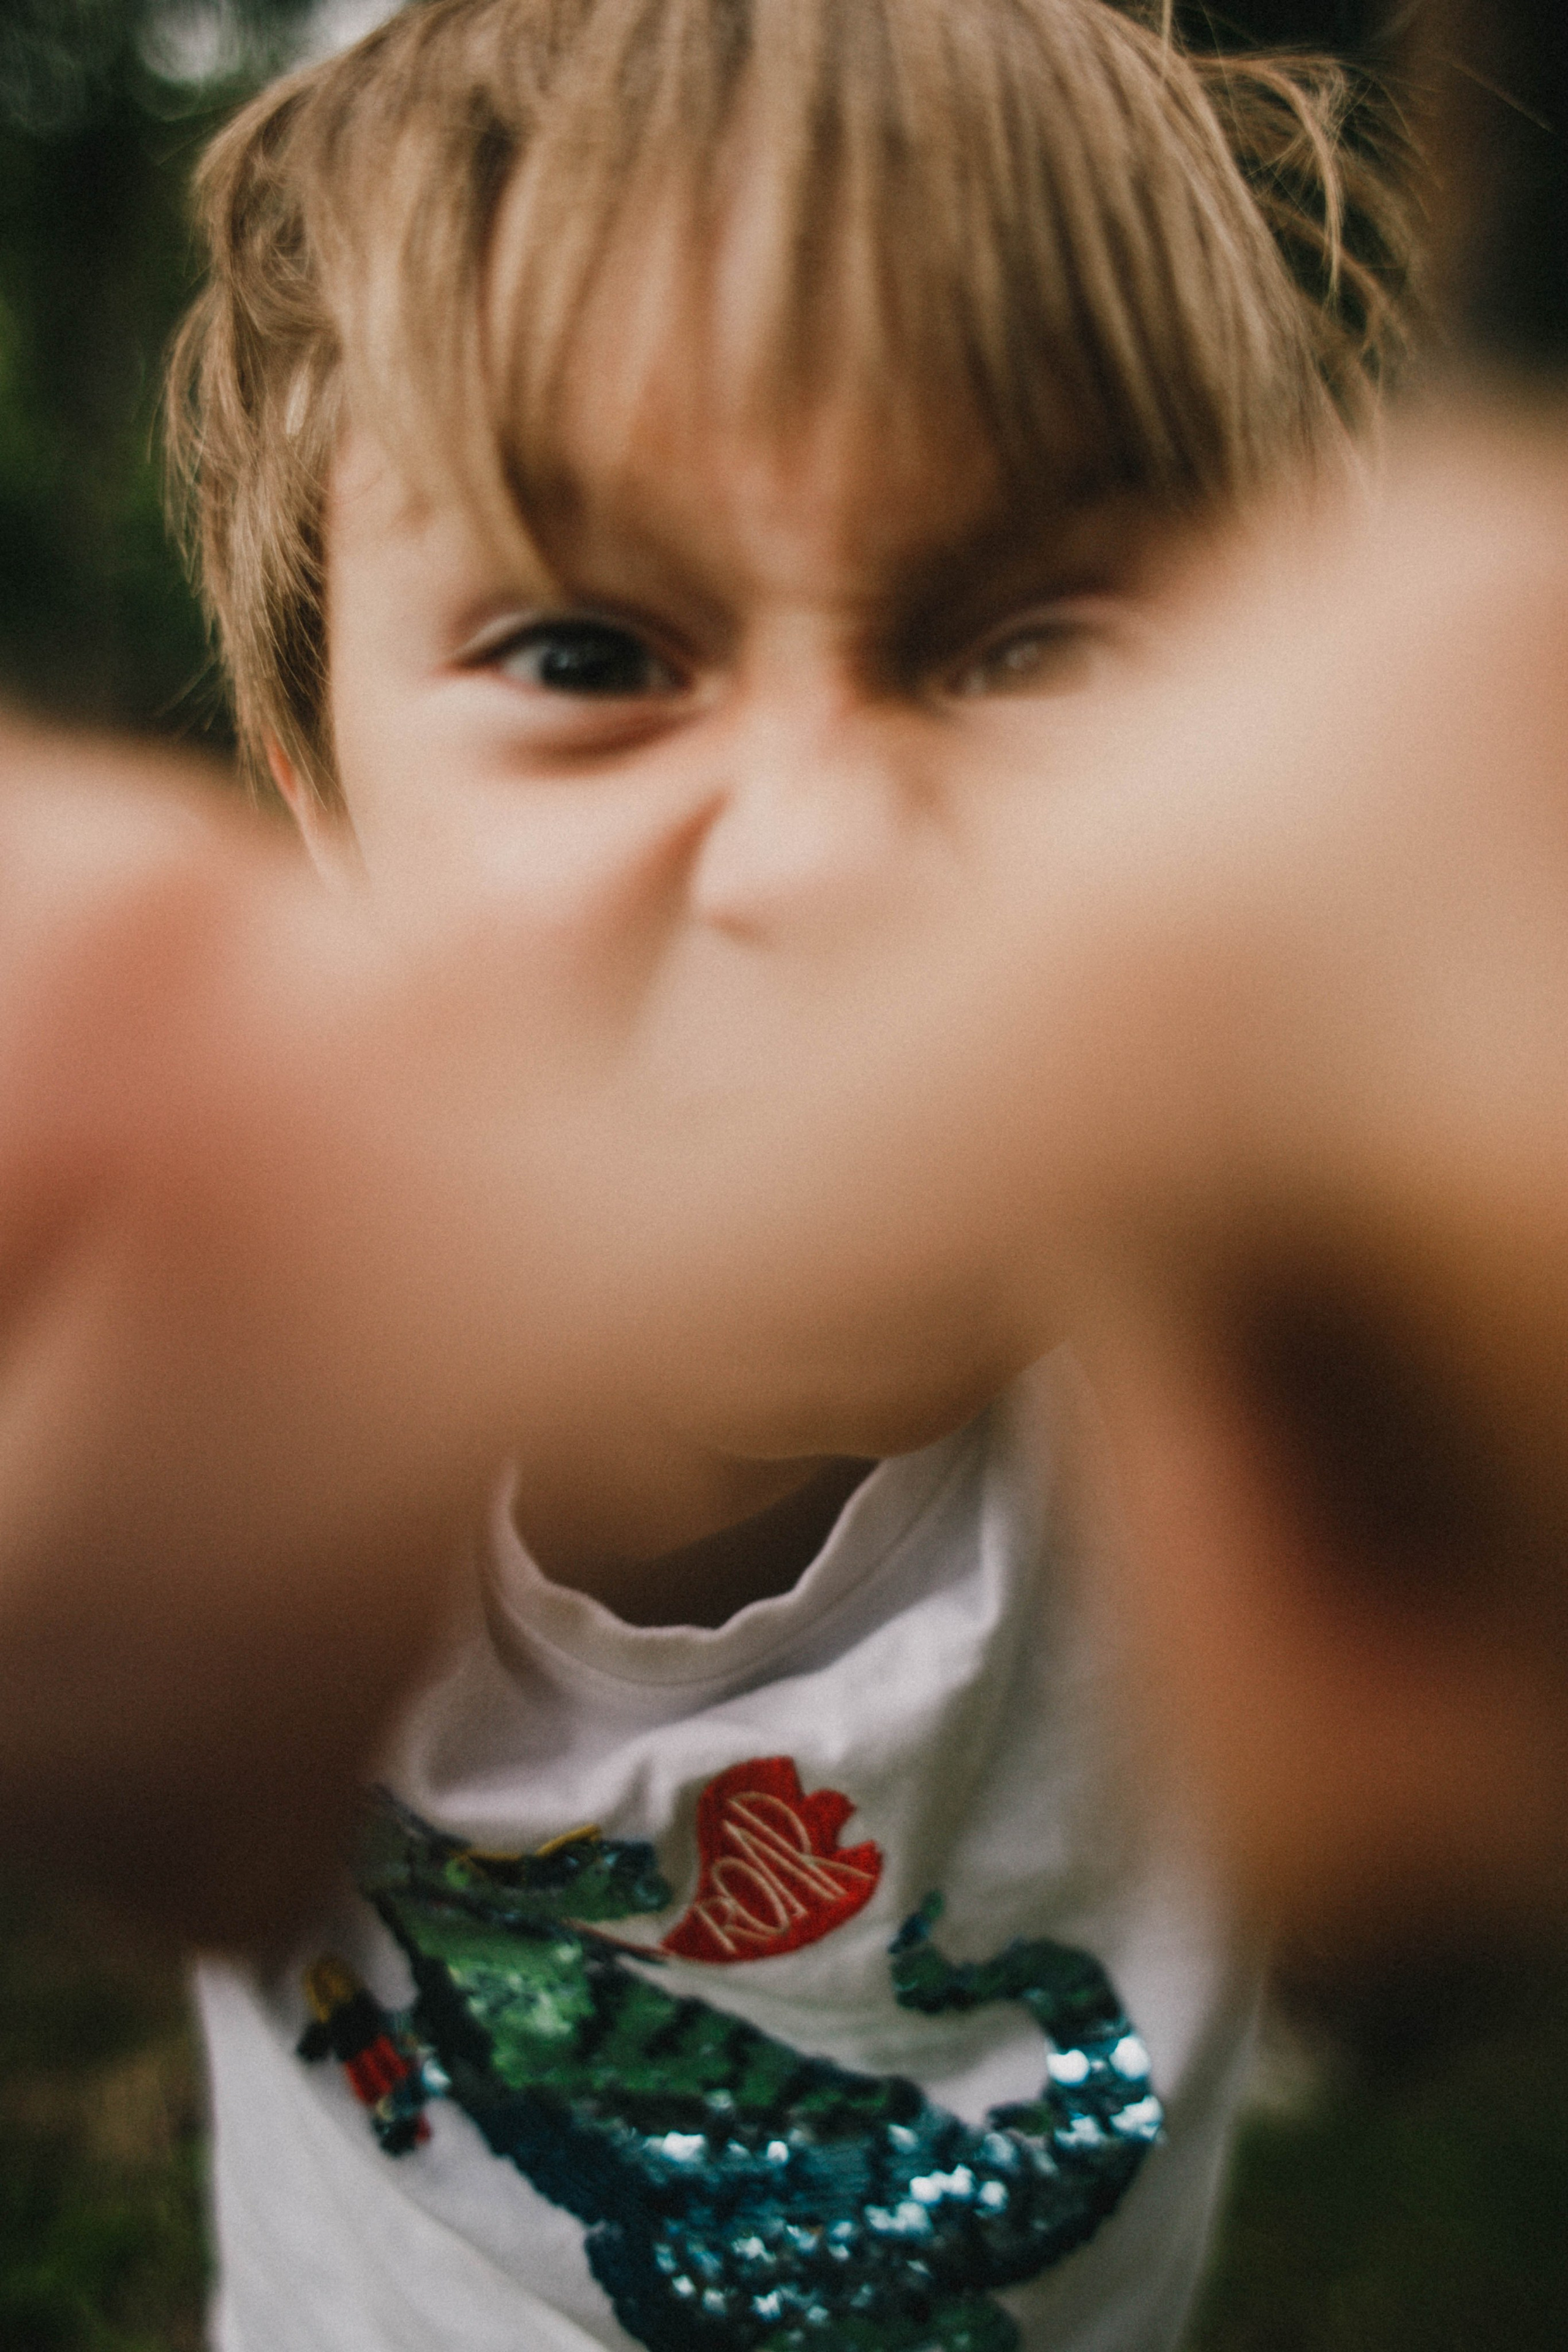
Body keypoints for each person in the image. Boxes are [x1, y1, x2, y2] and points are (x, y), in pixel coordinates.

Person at [151, 2, 1408, 2347]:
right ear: (321, 813)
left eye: (1035, 645)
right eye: (588, 648)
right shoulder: (215, 1368)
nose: (825, 860)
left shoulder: (1282, 1371)